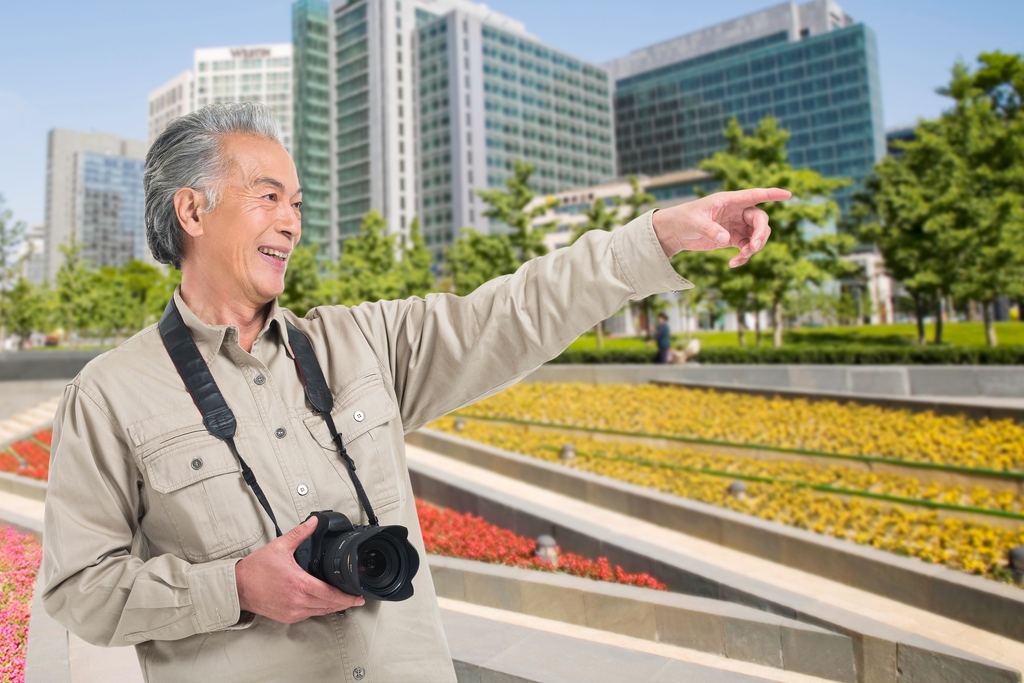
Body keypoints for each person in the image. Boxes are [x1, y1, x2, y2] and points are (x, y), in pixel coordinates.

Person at [40, 103, 787, 683]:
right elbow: (80, 590)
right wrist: (233, 586)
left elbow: (513, 311)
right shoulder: (107, 395)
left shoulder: (364, 344)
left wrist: (653, 238)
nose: (293, 222)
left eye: (298, 202)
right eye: (268, 197)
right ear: (192, 211)